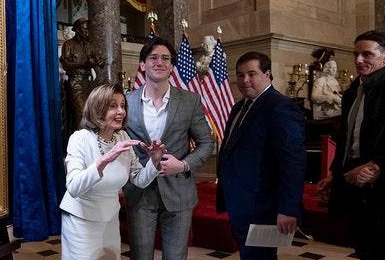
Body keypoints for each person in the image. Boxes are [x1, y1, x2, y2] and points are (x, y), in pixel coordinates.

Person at [124, 36, 214, 260]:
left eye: (166, 58)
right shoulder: (126, 102)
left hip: (178, 193)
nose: (159, 62)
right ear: (143, 64)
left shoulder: (190, 101)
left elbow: (206, 143)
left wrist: (183, 165)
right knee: (141, 257)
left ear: (172, 66)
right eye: (153, 57)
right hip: (139, 194)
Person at [216, 51, 307, 260]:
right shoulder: (240, 106)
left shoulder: (281, 107)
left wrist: (288, 208)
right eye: (240, 75)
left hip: (263, 207)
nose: (245, 80)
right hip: (241, 204)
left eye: (252, 74)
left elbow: (293, 162)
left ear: (267, 74)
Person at [59, 84, 164, 260]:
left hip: (109, 218)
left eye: (123, 105)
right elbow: (74, 187)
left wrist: (154, 162)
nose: (121, 111)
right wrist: (106, 159)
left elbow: (139, 179)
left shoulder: (123, 137)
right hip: (81, 221)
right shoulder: (80, 139)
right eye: (113, 105)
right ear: (97, 108)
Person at [317, 30, 385, 260]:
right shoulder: (351, 92)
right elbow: (347, 138)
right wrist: (334, 174)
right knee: (362, 244)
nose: (359, 60)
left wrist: (376, 166)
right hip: (351, 175)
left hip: (383, 181)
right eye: (356, 54)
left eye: (367, 54)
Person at [60, 17, 106, 128]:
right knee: (81, 112)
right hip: (75, 82)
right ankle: (80, 142)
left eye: (87, 30)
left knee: (92, 113)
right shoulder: (69, 45)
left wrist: (99, 62)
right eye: (84, 29)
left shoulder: (89, 46)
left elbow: (100, 62)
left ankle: (91, 140)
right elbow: (65, 65)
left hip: (88, 82)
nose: (86, 32)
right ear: (77, 30)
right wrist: (84, 63)